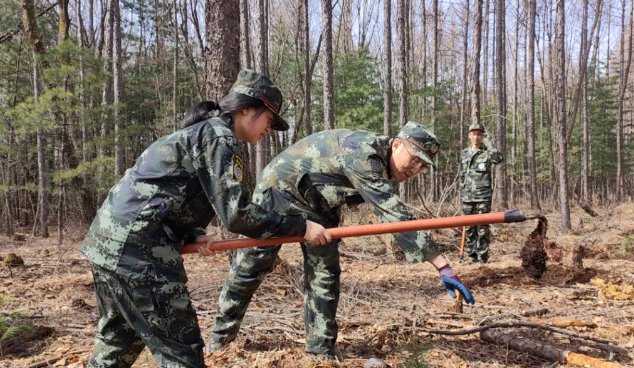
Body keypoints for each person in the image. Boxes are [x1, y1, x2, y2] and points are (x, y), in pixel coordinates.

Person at [80, 69, 331, 368]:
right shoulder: (219, 137)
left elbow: (165, 191)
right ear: (247, 108)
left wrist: (191, 233)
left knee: (117, 342)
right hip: (141, 252)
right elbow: (238, 215)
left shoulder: (202, 133)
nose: (270, 129)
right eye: (269, 119)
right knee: (181, 354)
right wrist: (301, 226)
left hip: (107, 243)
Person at [208, 121, 475, 358]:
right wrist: (442, 264)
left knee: (324, 273)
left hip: (318, 204)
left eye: (423, 166)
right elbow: (394, 214)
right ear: (396, 144)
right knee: (251, 266)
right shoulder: (363, 154)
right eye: (414, 158)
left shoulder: (380, 161)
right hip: (279, 193)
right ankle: (219, 341)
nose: (416, 168)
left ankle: (320, 350)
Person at [459, 122, 504, 263]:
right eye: (473, 134)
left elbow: (498, 159)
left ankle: (482, 257)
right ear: (469, 136)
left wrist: (490, 144)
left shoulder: (487, 152)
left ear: (482, 136)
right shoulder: (464, 153)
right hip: (467, 196)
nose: (476, 137)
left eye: (479, 134)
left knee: (482, 228)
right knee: (469, 228)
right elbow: (462, 175)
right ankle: (471, 256)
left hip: (482, 197)